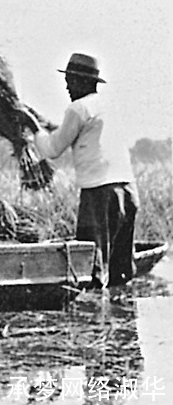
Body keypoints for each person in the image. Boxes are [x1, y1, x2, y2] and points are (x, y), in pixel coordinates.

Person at [19, 53, 138, 288]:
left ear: (84, 82)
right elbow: (80, 135)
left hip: (100, 194)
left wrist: (33, 126)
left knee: (93, 266)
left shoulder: (78, 108)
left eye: (70, 81)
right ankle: (122, 316)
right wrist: (48, 127)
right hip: (128, 191)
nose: (67, 87)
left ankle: (98, 320)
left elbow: (53, 148)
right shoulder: (107, 107)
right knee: (120, 270)